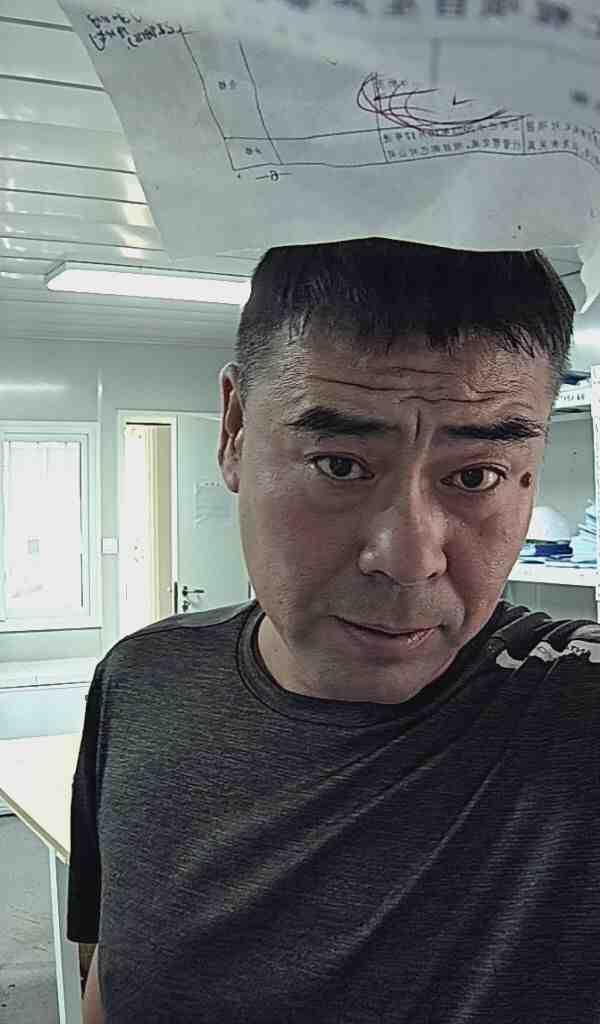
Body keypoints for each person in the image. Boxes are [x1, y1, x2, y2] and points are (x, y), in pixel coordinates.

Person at [69, 238, 600, 1024]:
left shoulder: (573, 711)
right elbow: (112, 979)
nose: (409, 559)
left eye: (476, 476)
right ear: (235, 431)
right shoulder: (140, 680)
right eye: (340, 464)